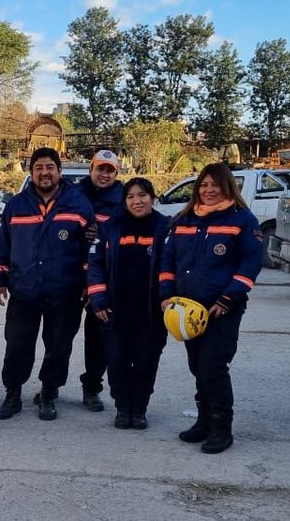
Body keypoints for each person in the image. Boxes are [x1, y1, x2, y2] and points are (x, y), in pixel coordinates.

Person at [159, 162, 263, 454]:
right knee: (197, 366)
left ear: (227, 187)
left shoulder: (243, 220)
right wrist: (166, 295)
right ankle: (203, 421)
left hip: (221, 310)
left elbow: (250, 264)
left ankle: (221, 429)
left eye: (214, 185)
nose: (208, 190)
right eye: (203, 185)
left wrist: (227, 298)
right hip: (186, 311)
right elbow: (168, 260)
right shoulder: (184, 220)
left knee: (213, 366)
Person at [0, 147, 95, 421]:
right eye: (38, 168)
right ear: (31, 172)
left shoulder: (79, 204)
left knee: (58, 347)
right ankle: (13, 393)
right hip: (24, 291)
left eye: (50, 167)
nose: (44, 172)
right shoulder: (16, 205)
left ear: (59, 171)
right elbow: (2, 246)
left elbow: (90, 250)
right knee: (16, 346)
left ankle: (49, 393)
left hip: (66, 293)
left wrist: (87, 284)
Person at [86, 177, 170, 430]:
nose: (137, 201)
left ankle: (140, 409)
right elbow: (95, 264)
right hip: (115, 311)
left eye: (142, 195)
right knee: (117, 361)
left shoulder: (165, 227)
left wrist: (167, 299)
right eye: (131, 196)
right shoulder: (110, 227)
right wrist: (98, 299)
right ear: (124, 201)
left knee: (146, 362)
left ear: (152, 198)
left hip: (151, 313)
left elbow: (171, 265)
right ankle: (123, 409)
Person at [74, 149, 124, 413]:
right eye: (100, 169)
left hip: (103, 279)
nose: (104, 174)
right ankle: (50, 387)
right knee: (59, 337)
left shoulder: (124, 198)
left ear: (116, 174)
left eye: (109, 170)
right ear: (90, 169)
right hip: (70, 277)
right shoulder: (72, 194)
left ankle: (92, 387)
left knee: (98, 338)